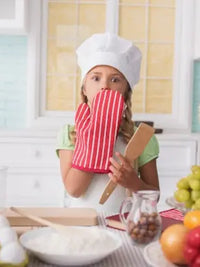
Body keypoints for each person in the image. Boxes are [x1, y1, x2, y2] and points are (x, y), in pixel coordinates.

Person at [56, 32, 160, 213]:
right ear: (85, 88)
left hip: (121, 227)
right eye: (96, 78)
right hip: (81, 226)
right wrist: (95, 141)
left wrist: (133, 182)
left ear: (126, 90)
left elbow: (153, 198)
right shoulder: (70, 133)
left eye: (115, 79)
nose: (104, 86)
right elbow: (74, 190)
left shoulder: (140, 138)